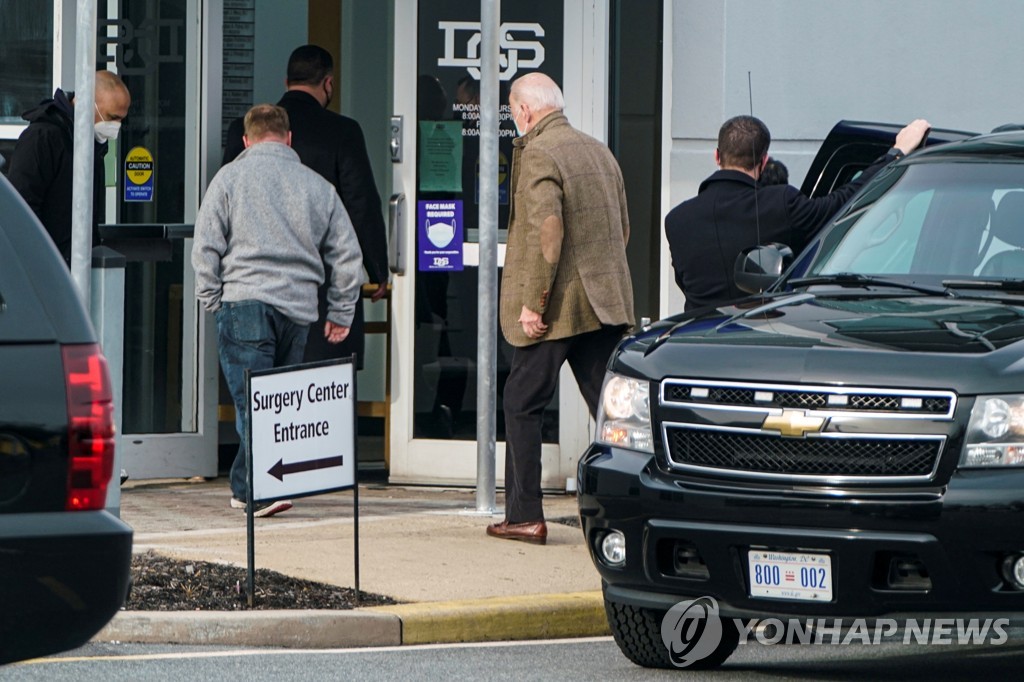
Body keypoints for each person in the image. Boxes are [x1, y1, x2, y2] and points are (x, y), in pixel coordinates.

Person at [193, 104, 363, 518]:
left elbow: (206, 245)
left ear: (247, 141)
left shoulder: (229, 178)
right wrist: (341, 311)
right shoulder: (318, 186)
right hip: (298, 310)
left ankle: (263, 491)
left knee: (254, 403)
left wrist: (210, 298)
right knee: (277, 403)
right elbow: (347, 254)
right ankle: (246, 486)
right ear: (288, 138)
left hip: (243, 301)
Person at [487, 73, 635, 545]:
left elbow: (547, 233)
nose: (516, 121)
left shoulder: (539, 153)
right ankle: (629, 513)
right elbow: (623, 229)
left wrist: (536, 302)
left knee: (521, 401)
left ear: (526, 112)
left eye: (513, 112)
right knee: (613, 412)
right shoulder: (598, 151)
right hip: (604, 303)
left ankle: (524, 515)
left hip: (558, 308)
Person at [223, 45, 388, 369]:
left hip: (255, 282)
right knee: (322, 387)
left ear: (287, 82)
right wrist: (377, 267)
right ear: (328, 83)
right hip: (320, 282)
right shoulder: (342, 131)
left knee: (262, 389)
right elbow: (360, 204)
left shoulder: (243, 130)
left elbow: (228, 202)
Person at [664, 115, 931, 311]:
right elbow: (845, 202)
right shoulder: (780, 204)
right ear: (764, 161)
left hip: (695, 341)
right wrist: (895, 154)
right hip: (754, 339)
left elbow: (684, 282)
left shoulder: (676, 220)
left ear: (716, 156)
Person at [7, 70, 130, 265]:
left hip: (75, 267)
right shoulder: (43, 138)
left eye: (121, 119)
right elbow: (21, 210)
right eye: (112, 117)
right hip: (46, 269)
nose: (116, 126)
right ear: (88, 103)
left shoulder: (91, 144)